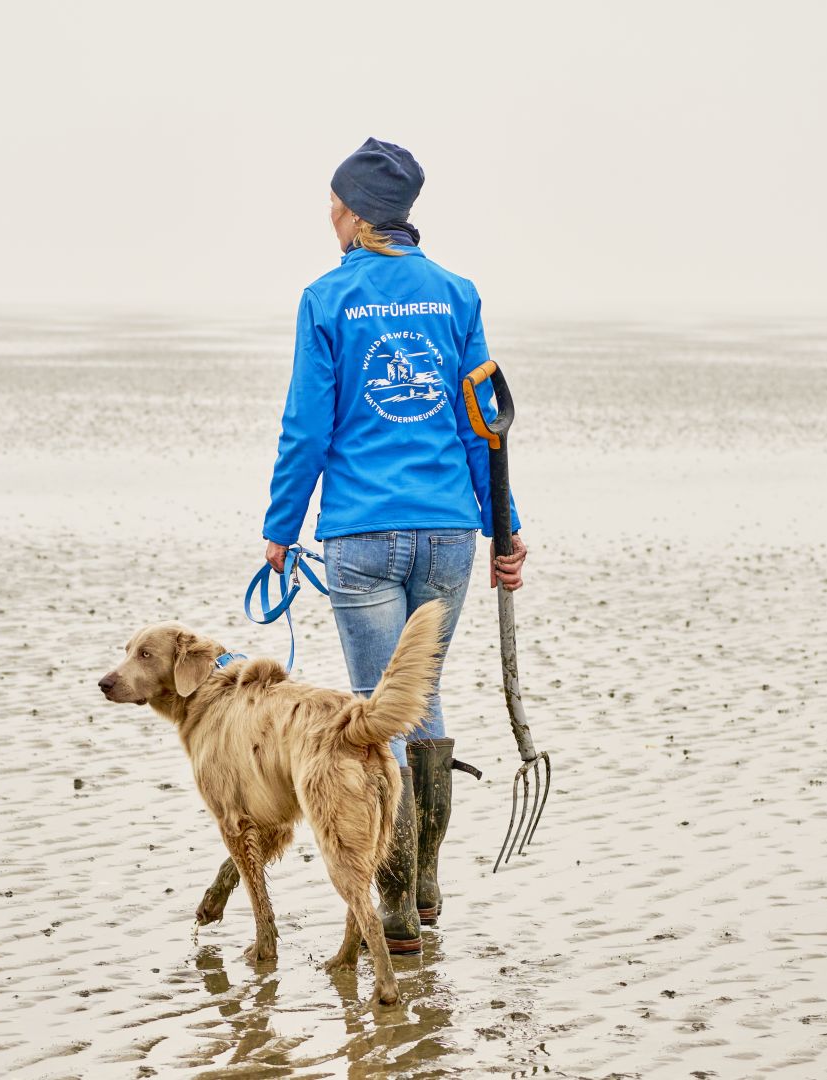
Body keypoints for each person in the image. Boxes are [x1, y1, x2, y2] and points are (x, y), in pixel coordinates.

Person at [262, 137, 526, 954]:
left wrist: (279, 528)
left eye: (332, 202)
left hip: (363, 535)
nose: (327, 215)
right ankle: (427, 885)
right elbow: (487, 424)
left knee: (377, 717)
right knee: (422, 701)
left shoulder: (327, 298)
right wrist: (504, 527)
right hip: (447, 528)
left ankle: (399, 909)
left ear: (356, 211)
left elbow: (307, 423)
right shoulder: (455, 293)